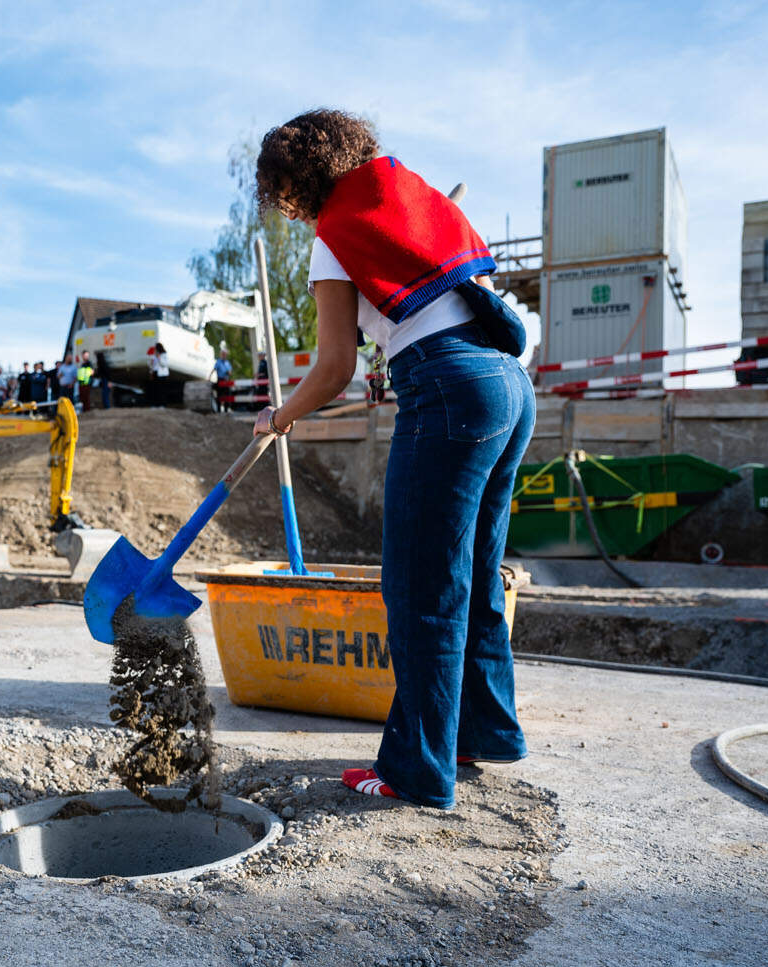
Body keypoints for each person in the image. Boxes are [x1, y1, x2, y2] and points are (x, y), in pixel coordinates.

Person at [252, 109, 532, 811]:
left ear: (296, 182)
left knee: (420, 591)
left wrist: (280, 414)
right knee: (470, 576)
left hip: (449, 394)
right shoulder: (416, 200)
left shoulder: (334, 236)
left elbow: (335, 368)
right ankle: (482, 731)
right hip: (509, 386)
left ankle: (415, 771)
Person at [147, 342, 170, 407]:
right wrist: (150, 364)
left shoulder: (164, 355)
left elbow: (164, 364)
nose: (155, 350)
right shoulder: (153, 356)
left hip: (162, 375)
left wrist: (159, 358)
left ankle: (162, 404)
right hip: (155, 373)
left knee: (161, 390)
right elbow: (151, 366)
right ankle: (154, 404)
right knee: (154, 390)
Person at [214, 346, 235, 413]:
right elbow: (214, 369)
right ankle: (218, 410)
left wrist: (229, 373)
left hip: (226, 380)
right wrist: (209, 377)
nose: (224, 355)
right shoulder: (218, 362)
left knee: (227, 395)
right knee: (219, 395)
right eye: (223, 354)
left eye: (225, 354)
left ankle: (226, 410)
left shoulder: (227, 363)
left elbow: (230, 372)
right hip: (220, 380)